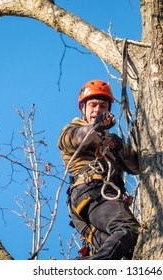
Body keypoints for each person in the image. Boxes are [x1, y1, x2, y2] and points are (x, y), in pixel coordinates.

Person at [58, 79, 140, 259]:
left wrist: (119, 146)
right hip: (91, 192)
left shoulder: (110, 141)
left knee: (126, 253)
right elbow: (81, 137)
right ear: (83, 109)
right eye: (93, 105)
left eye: (103, 106)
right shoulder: (72, 129)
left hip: (97, 203)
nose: (97, 109)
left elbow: (136, 166)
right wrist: (97, 126)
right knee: (127, 228)